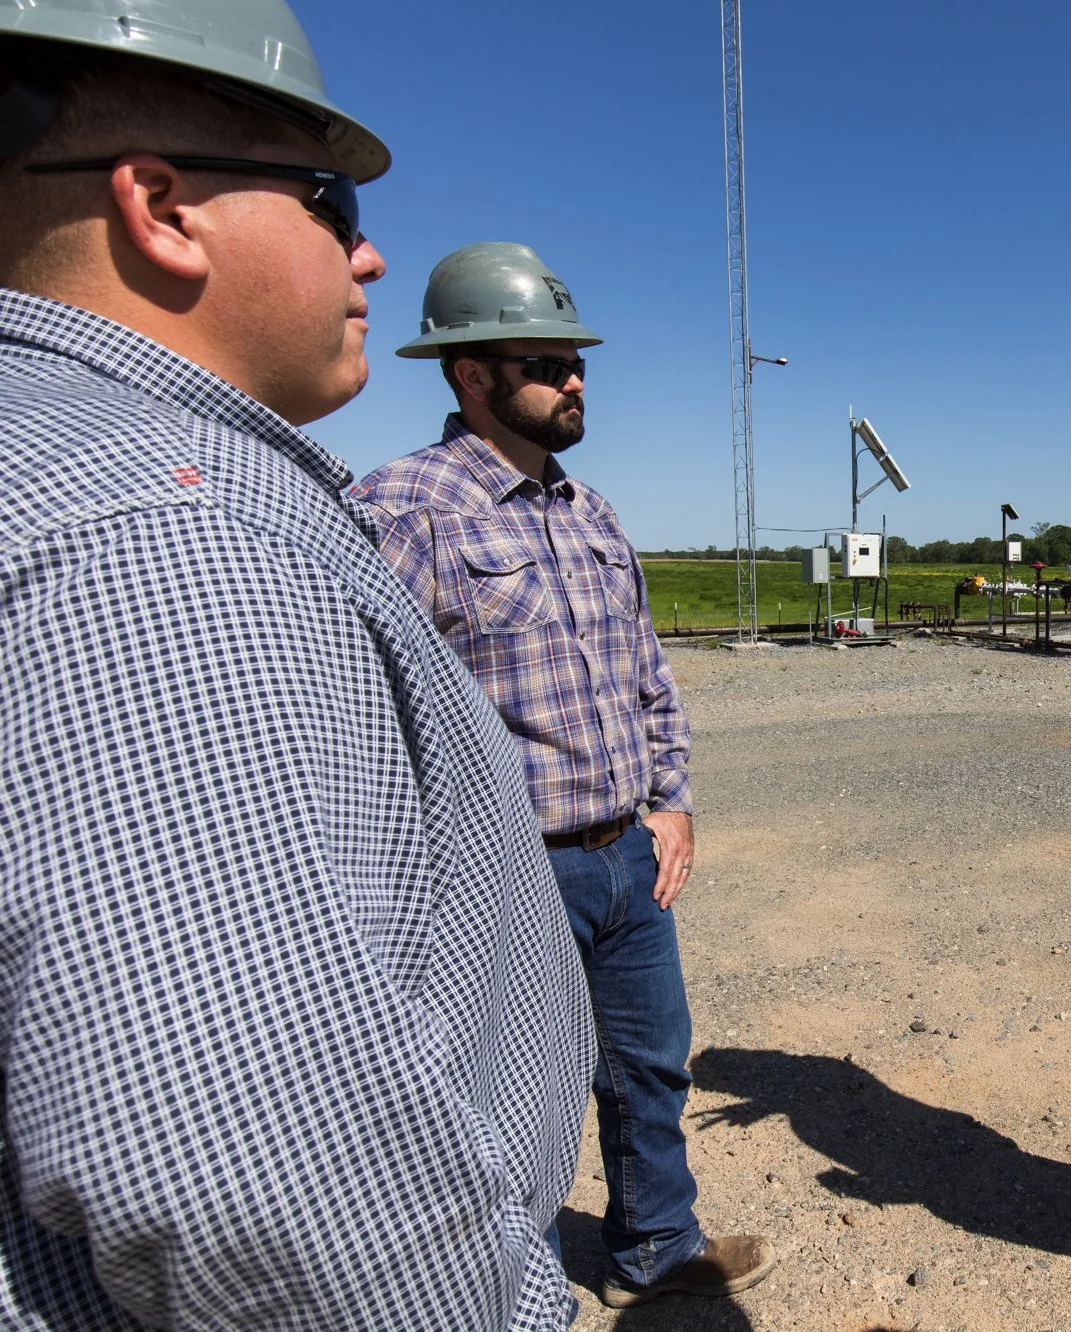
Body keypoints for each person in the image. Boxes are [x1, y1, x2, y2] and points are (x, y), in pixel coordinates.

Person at [0, 5, 595, 1328]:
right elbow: (269, 1192)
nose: (372, 252)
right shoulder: (167, 540)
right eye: (328, 200)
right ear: (161, 206)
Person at [352, 243, 775, 1310]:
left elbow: (645, 671)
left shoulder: (592, 511)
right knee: (509, 1099)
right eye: (545, 361)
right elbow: (363, 714)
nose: (575, 378)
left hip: (623, 856)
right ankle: (508, 1290)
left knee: (650, 1069)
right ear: (470, 375)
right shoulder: (405, 509)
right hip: (503, 872)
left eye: (577, 359)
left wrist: (669, 800)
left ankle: (655, 1249)